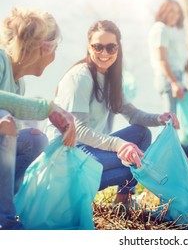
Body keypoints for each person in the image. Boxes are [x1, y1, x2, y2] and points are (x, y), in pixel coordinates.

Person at [46, 20, 180, 205]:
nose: (104, 53)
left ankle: (122, 202)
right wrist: (119, 145)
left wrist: (159, 118)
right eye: (98, 47)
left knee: (141, 136)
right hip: (66, 159)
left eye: (111, 47)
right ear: (89, 47)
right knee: (139, 164)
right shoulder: (80, 78)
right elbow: (79, 131)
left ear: (118, 48)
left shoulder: (111, 79)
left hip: (89, 153)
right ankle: (76, 193)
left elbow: (133, 115)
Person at [0, 8, 76, 230]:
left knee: (35, 139)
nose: (54, 56)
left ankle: (8, 204)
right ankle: (4, 222)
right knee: (4, 119)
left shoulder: (18, 84)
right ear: (45, 47)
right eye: (55, 49)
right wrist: (47, 108)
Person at [148, 0, 187, 113]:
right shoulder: (160, 29)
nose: (175, 15)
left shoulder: (168, 30)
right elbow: (162, 60)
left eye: (177, 12)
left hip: (174, 77)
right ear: (163, 11)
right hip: (168, 78)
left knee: (178, 120)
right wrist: (174, 83)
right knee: (171, 119)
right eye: (171, 11)